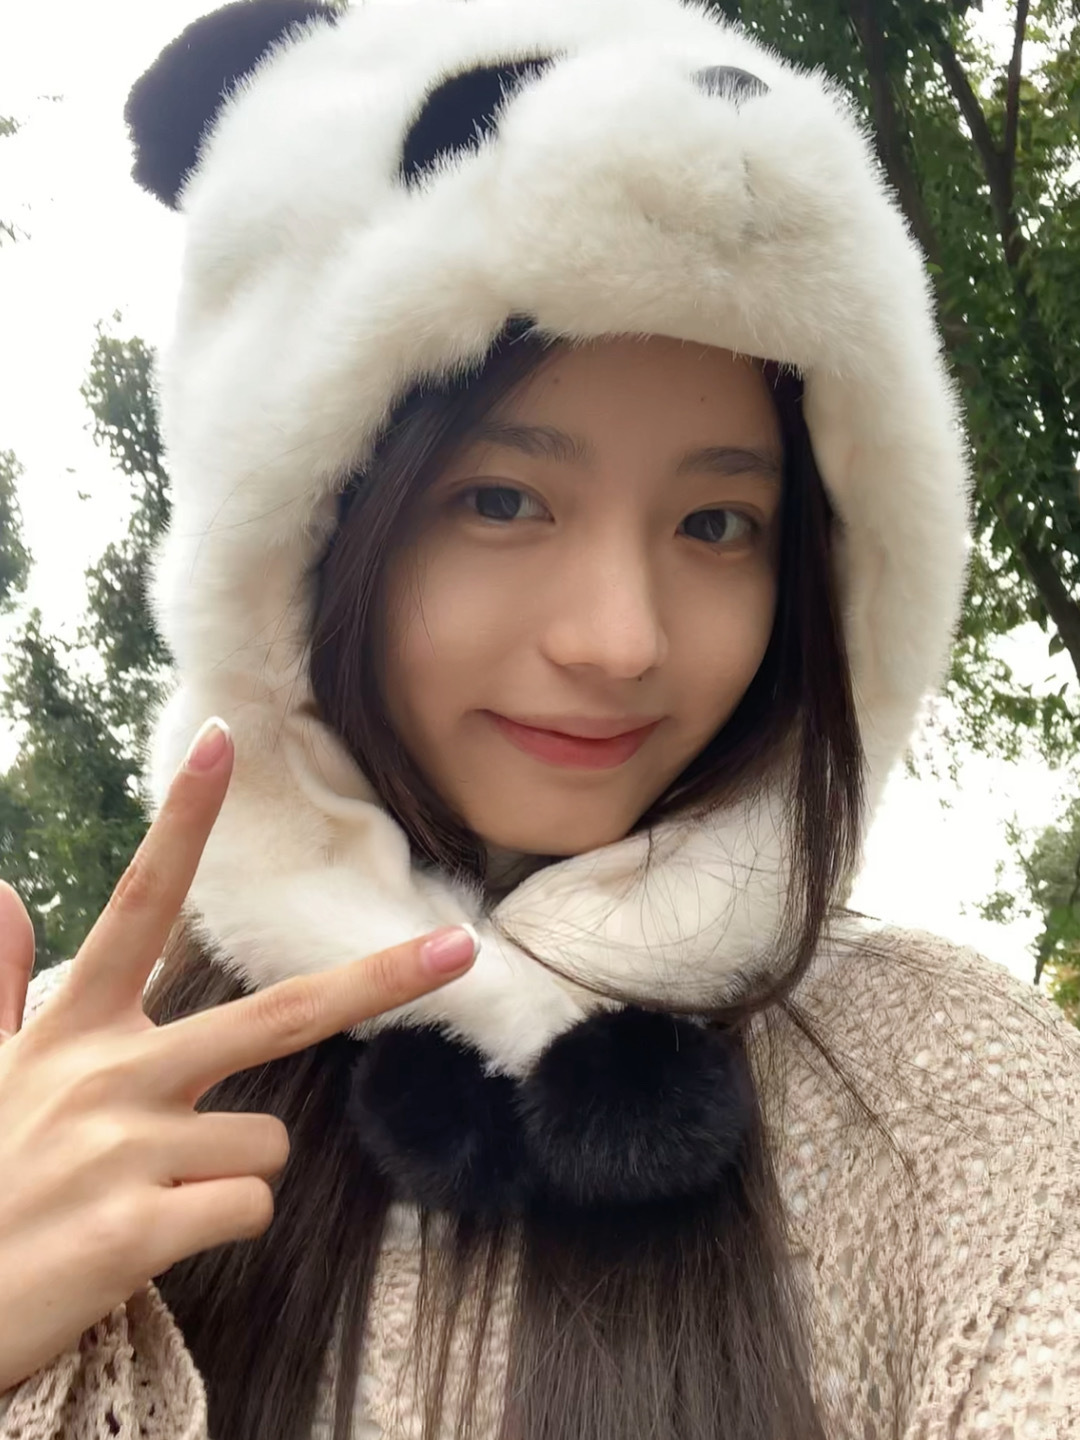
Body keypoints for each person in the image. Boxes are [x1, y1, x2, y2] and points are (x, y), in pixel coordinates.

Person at [0, 0, 1078, 1436]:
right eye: (503, 500)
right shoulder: (70, 1101)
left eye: (717, 523)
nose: (620, 640)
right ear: (303, 541)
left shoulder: (955, 1093)